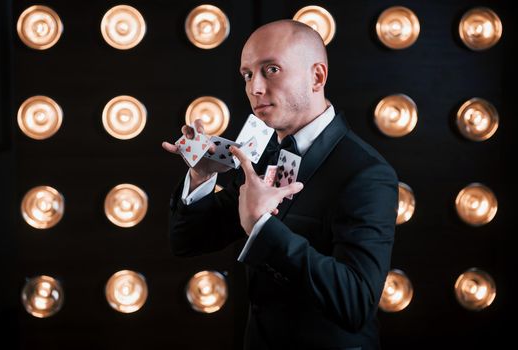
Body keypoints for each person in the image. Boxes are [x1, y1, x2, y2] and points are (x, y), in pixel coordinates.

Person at [162, 19, 398, 350]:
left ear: (317, 76)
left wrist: (262, 227)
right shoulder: (262, 155)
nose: (254, 88)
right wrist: (202, 177)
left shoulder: (366, 173)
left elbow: (356, 302)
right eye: (247, 75)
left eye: (271, 69)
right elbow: (187, 241)